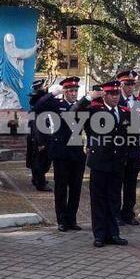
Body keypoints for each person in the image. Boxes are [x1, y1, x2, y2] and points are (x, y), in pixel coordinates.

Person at [73, 80, 130, 248]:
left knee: (114, 199)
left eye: (117, 93)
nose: (115, 97)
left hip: (117, 162)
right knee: (98, 200)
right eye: (111, 94)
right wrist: (87, 98)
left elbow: (130, 136)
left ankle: (113, 233)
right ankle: (99, 235)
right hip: (99, 162)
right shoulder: (94, 110)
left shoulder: (125, 111)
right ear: (104, 94)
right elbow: (73, 113)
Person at [33, 77, 86, 232]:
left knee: (76, 188)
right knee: (61, 187)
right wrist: (52, 94)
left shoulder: (81, 106)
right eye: (70, 91)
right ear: (65, 92)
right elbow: (37, 107)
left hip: (77, 151)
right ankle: (62, 220)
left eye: (75, 90)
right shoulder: (57, 104)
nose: (73, 93)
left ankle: (72, 219)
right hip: (61, 152)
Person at [116, 70, 140, 226]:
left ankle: (128, 213)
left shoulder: (139, 102)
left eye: (132, 84)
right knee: (116, 183)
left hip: (134, 148)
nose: (130, 87)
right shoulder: (115, 101)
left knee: (131, 183)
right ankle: (115, 213)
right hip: (118, 148)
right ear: (120, 84)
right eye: (127, 84)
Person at [27, 79, 52, 191]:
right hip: (39, 139)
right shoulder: (39, 111)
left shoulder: (36, 109)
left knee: (36, 160)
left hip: (36, 138)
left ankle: (36, 178)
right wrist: (41, 142)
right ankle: (40, 183)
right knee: (41, 161)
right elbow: (37, 127)